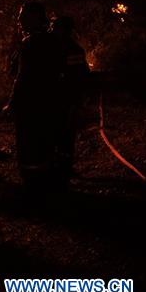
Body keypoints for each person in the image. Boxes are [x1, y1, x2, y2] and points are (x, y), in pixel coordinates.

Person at [4, 2, 65, 198]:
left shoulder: (30, 44)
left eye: (23, 15)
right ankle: (45, 187)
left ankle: (32, 190)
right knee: (45, 145)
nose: (19, 19)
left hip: (31, 106)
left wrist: (12, 102)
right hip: (50, 104)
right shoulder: (54, 42)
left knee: (29, 147)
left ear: (34, 17)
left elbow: (22, 77)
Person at [50, 16, 90, 186]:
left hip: (65, 99)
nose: (52, 30)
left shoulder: (72, 50)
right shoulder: (54, 47)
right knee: (58, 134)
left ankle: (63, 169)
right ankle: (58, 167)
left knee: (65, 134)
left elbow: (77, 77)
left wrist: (77, 101)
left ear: (63, 29)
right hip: (57, 98)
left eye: (55, 27)